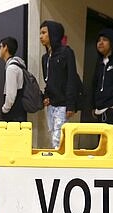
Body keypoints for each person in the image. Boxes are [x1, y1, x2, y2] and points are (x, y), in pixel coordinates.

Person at [40, 20, 79, 149]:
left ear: (53, 33)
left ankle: (60, 166)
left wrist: (71, 105)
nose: (41, 36)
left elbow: (71, 79)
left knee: (58, 139)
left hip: (63, 104)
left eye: (44, 32)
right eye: (40, 33)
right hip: (51, 103)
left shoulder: (66, 52)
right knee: (53, 136)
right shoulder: (45, 58)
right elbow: (48, 80)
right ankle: (60, 164)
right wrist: (46, 96)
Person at [0, 37, 26, 122]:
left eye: (0, 47)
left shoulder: (12, 68)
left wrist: (4, 109)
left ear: (5, 47)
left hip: (14, 113)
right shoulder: (18, 64)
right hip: (19, 111)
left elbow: (11, 94)